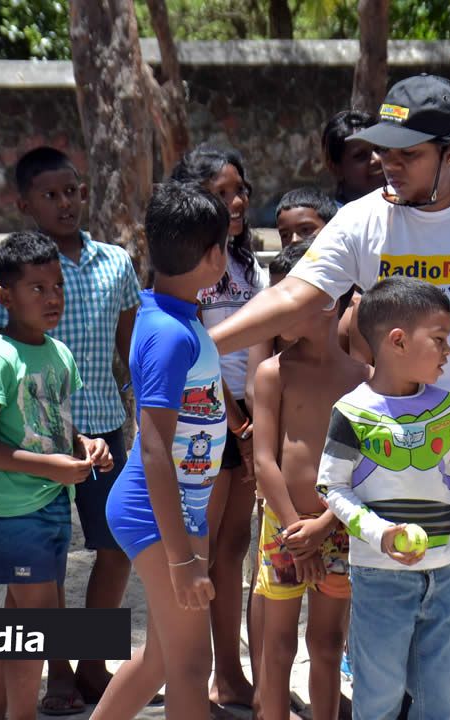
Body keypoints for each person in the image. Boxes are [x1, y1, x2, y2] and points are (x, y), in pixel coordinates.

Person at [210, 74, 450, 718]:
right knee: (397, 598)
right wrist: (206, 343)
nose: (387, 165)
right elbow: (299, 295)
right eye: (382, 151)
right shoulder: (364, 219)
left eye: (407, 154)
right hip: (395, 441)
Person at [0, 146, 139, 712]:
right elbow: (1, 356)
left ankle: (92, 664)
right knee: (35, 571)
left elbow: (130, 348)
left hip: (104, 431)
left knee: (115, 549)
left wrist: (145, 413)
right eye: (50, 195)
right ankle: (55, 671)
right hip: (34, 441)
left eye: (72, 191)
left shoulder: (116, 263)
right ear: (26, 204)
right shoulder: (19, 271)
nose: (65, 203)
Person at [321, 276, 450, 719]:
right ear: (398, 341)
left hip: (444, 577)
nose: (448, 351)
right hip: (380, 582)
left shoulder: (448, 408)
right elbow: (331, 486)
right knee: (378, 699)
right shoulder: (351, 413)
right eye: (439, 339)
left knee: (439, 699)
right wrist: (380, 534)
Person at [0, 231, 113, 720]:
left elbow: (54, 425)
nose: (52, 299)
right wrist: (49, 466)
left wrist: (85, 445)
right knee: (38, 626)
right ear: (5, 295)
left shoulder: (59, 353)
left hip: (50, 505)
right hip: (11, 511)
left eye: (57, 287)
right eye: (37, 289)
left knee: (17, 616)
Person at [96, 182, 230, 720]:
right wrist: (182, 559)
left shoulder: (174, 316)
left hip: (175, 509)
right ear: (217, 255)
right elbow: (153, 448)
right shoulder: (169, 333)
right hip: (156, 515)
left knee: (161, 658)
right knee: (192, 664)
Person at [170, 145, 272, 708]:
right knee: (199, 553)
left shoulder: (248, 264)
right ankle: (193, 677)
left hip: (245, 424)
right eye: (222, 192)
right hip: (203, 425)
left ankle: (228, 673)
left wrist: (257, 418)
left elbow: (260, 345)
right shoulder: (189, 267)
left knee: (233, 548)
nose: (236, 202)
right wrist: (233, 419)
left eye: (240, 190)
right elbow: (189, 351)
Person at [251, 242, 368, 720]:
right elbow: (264, 460)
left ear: (326, 301)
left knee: (327, 643)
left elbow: (366, 466)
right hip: (284, 529)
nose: (275, 310)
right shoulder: (271, 373)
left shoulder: (365, 379)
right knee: (276, 648)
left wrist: (323, 526)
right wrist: (296, 530)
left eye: (287, 298)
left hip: (339, 528)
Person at [321, 110, 384, 206]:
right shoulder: (334, 220)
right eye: (361, 156)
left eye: (380, 149)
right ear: (336, 169)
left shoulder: (405, 210)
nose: (377, 159)